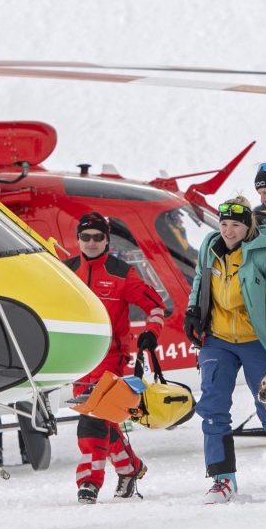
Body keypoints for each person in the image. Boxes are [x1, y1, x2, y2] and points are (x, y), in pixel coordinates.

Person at [184, 196, 266, 503]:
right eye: (224, 224)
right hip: (218, 338)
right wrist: (193, 310)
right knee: (213, 406)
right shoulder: (210, 247)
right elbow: (200, 280)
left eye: (236, 224)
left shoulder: (261, 254)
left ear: (248, 226)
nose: (228, 230)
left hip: (255, 338)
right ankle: (223, 478)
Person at [65, 212, 166, 504]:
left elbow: (156, 307)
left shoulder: (122, 273)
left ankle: (88, 482)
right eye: (86, 237)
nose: (91, 242)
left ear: (107, 240)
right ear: (78, 240)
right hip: (79, 360)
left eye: (98, 237)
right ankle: (130, 467)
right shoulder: (66, 272)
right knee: (105, 419)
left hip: (112, 359)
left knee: (92, 418)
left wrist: (151, 334)